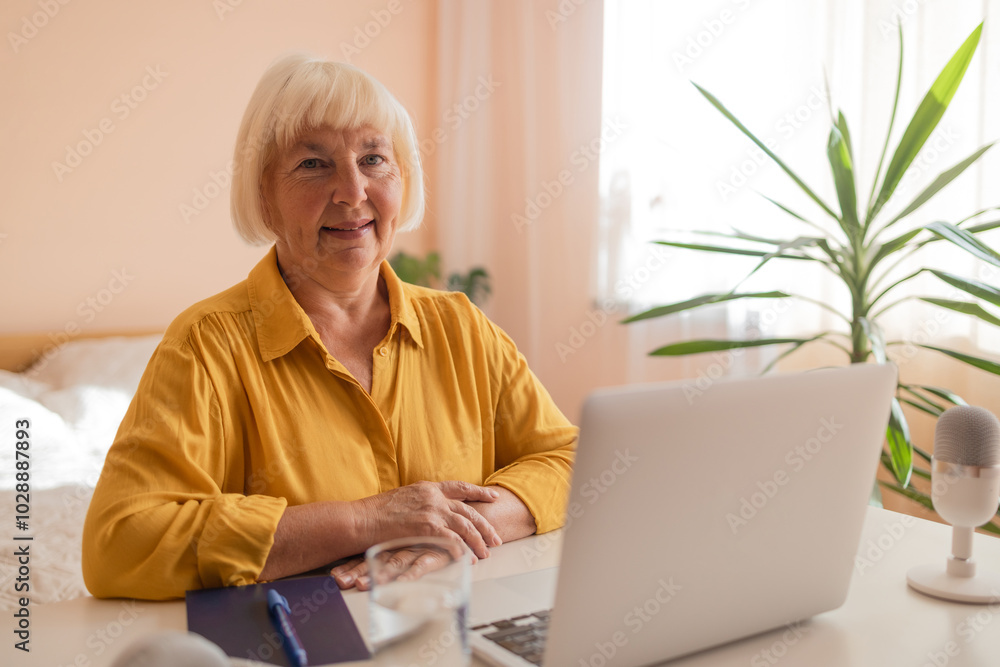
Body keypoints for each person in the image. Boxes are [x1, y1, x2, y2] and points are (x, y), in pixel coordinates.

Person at [81, 54, 577, 600]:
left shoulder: (461, 326)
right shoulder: (203, 345)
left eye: (373, 159)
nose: (352, 191)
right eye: (313, 164)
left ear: (402, 180)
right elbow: (120, 542)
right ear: (263, 194)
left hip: (462, 629)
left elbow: (571, 461)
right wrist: (365, 522)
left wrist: (457, 529)